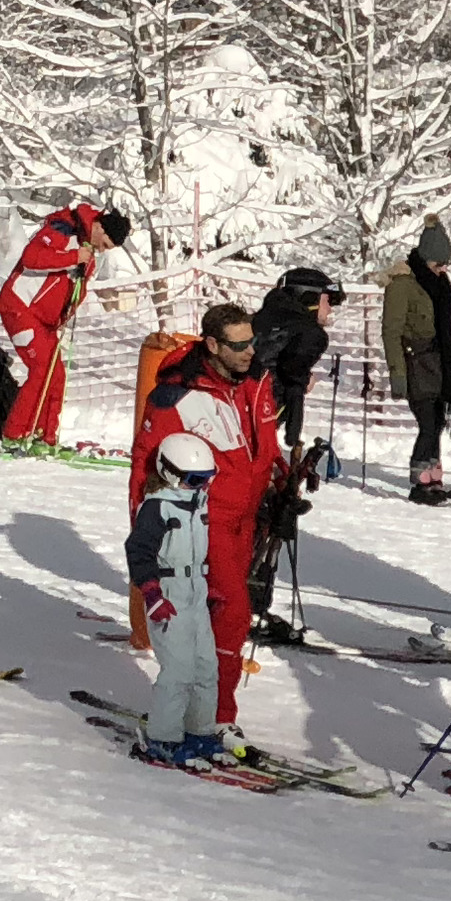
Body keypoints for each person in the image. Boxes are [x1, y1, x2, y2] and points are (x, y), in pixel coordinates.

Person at [130, 301, 281, 731]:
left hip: (247, 517)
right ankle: (216, 717)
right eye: (239, 345)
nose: (250, 351)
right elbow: (145, 467)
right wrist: (146, 531)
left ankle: (204, 710)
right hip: (204, 520)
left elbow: (260, 444)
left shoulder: (254, 381)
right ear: (212, 345)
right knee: (232, 611)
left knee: (228, 617)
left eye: (252, 341)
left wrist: (280, 479)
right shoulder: (176, 396)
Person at [246, 262, 340, 641]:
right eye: (326, 302)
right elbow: (294, 378)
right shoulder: (310, 333)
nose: (330, 310)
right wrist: (295, 427)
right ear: (306, 300)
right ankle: (246, 601)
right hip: (259, 431)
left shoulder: (263, 317)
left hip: (239, 423)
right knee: (262, 512)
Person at [127, 430, 224, 763]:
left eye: (207, 479)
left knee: (206, 668)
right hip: (169, 596)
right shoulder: (157, 508)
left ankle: (201, 730)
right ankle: (163, 738)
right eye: (194, 479)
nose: (201, 486)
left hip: (196, 592)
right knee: (179, 671)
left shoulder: (198, 503)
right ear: (169, 473)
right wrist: (152, 593)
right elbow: (138, 551)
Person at [0, 203, 126, 452]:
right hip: (20, 308)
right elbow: (31, 258)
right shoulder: (64, 228)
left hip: (46, 322)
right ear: (100, 228)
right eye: (105, 244)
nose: (102, 250)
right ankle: (15, 434)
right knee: (41, 369)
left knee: (57, 376)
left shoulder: (88, 255)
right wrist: (72, 258)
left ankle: (44, 437)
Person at [379, 222, 451, 501]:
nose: (444, 268)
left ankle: (434, 477)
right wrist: (397, 374)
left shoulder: (439, 285)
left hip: (438, 365)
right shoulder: (402, 286)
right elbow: (391, 332)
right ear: (426, 258)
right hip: (415, 365)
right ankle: (420, 481)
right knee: (427, 423)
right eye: (440, 262)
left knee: (436, 422)